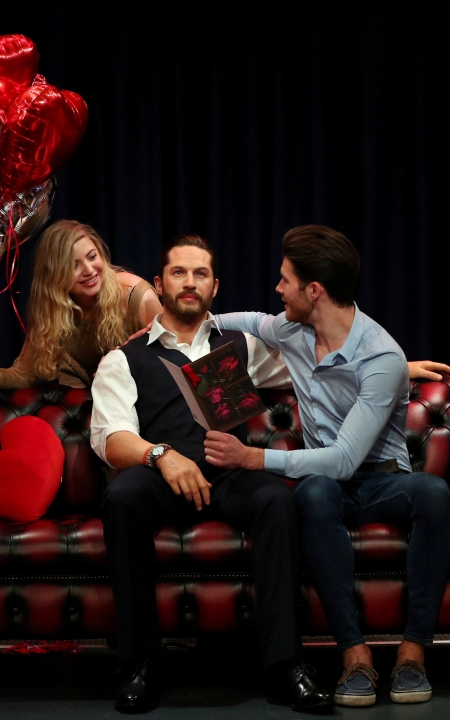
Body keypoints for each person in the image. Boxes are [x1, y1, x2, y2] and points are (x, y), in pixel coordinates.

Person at [204, 225, 450, 707]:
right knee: (314, 492)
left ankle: (414, 651)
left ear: (313, 290)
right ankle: (354, 655)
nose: (278, 290)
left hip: (383, 481)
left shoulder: (381, 356)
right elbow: (252, 321)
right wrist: (187, 321)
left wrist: (253, 457)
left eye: (285, 280)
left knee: (433, 493)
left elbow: (344, 458)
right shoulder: (294, 331)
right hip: (328, 487)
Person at [90, 234, 333, 713]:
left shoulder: (240, 344)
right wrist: (161, 455)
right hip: (161, 475)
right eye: (178, 272)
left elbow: (316, 370)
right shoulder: (125, 357)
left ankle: (285, 666)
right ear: (158, 285)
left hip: (229, 473)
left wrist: (394, 368)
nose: (189, 282)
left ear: (215, 287)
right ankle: (141, 663)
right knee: (121, 499)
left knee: (278, 500)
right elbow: (110, 439)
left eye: (200, 273)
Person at [0, 219, 163, 389]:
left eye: (92, 257)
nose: (89, 270)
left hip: (146, 406)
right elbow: (23, 375)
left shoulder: (136, 296)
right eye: (73, 264)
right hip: (98, 416)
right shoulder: (54, 311)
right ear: (54, 275)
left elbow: (175, 361)